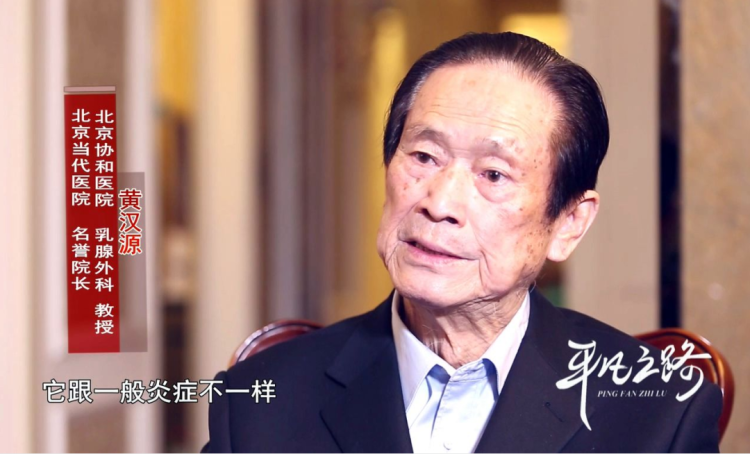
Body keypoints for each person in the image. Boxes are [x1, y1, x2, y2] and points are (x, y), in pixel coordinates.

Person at [202, 32, 721, 453]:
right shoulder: (258, 404)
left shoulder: (658, 412)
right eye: (424, 157)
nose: (440, 203)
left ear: (568, 222)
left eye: (493, 174)